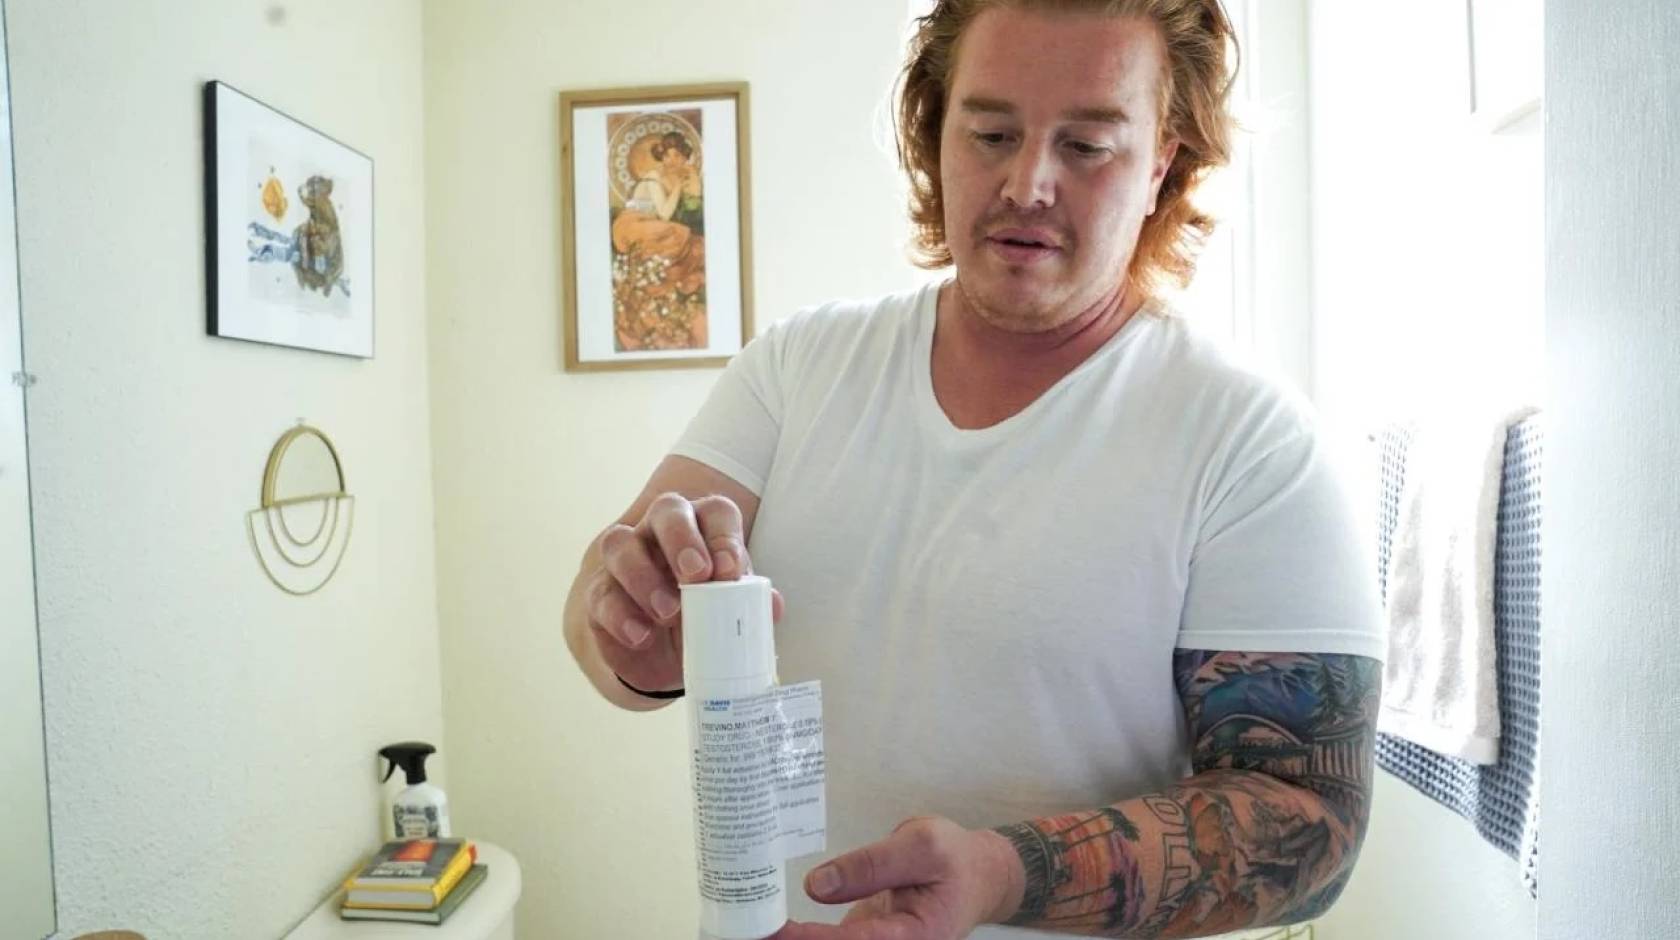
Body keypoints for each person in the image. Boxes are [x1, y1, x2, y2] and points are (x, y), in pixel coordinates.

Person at [563, 1, 1385, 937]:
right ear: (934, 131)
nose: (1028, 183)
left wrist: (1003, 874)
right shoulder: (799, 368)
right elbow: (602, 616)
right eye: (991, 132)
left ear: (1161, 162)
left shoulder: (1247, 438)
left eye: (1086, 147)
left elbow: (1311, 826)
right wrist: (628, 629)